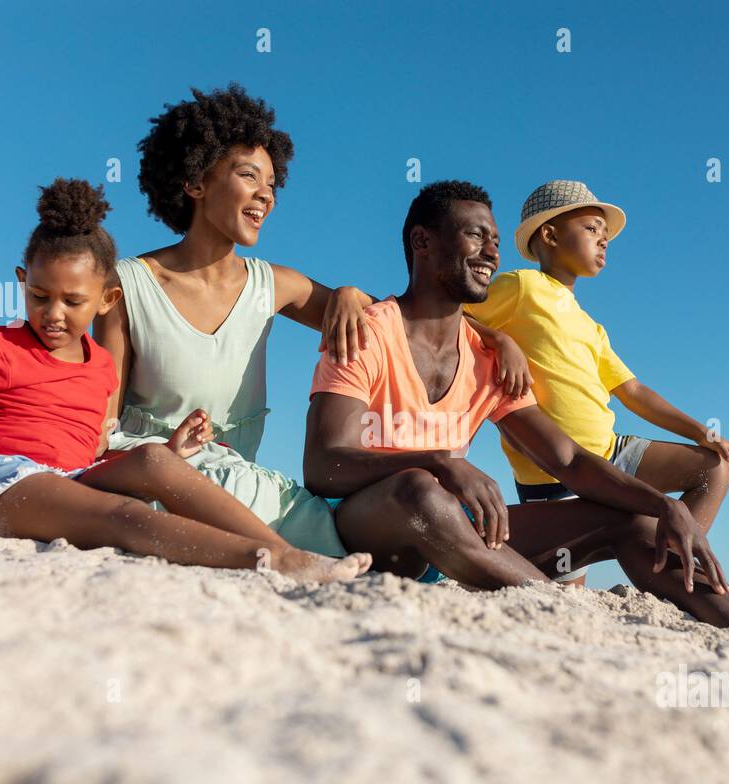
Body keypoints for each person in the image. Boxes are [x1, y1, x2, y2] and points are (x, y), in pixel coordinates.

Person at [302, 180, 729, 639]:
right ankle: (567, 611)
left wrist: (664, 506)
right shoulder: (367, 330)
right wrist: (441, 461)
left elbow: (567, 458)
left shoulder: (488, 357)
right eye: (474, 236)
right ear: (422, 243)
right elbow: (324, 466)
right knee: (421, 489)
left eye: (492, 237)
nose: (489, 251)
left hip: (457, 544)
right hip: (374, 531)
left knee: (632, 521)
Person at [94, 83, 532, 557]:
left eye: (272, 184)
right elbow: (103, 424)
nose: (266, 196)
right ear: (195, 181)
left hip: (238, 485)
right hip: (154, 470)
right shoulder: (127, 285)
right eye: (248, 176)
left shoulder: (276, 285)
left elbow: (405, 320)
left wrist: (495, 339)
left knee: (347, 547)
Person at [0, 178, 371, 583]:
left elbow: (94, 447)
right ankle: (266, 560)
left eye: (73, 301)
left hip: (72, 476)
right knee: (124, 517)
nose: (53, 314)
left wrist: (172, 453)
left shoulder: (101, 367)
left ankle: (281, 549)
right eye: (39, 296)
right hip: (0, 480)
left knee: (151, 458)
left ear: (106, 300)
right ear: (22, 280)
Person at [464, 179, 729, 586]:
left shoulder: (592, 326)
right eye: (592, 229)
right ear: (551, 234)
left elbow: (633, 392)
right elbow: (450, 318)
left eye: (606, 235)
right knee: (564, 587)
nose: (603, 241)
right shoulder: (522, 287)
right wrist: (499, 338)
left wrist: (703, 433)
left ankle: (675, 570)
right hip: (552, 473)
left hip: (612, 454)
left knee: (712, 469)